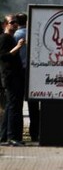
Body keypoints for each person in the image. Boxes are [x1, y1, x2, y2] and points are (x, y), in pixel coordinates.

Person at [0, 15, 25, 146]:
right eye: (12, 22)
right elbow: (4, 57)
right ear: (5, 24)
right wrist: (18, 47)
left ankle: (4, 136)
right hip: (10, 77)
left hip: (14, 77)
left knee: (10, 107)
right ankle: (12, 137)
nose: (15, 24)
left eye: (16, 22)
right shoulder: (4, 38)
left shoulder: (11, 38)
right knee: (14, 107)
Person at [13, 12, 38, 142]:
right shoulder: (33, 34)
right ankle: (35, 133)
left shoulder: (15, 36)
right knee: (33, 104)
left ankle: (18, 134)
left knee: (17, 104)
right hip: (32, 71)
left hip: (19, 71)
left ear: (16, 23)